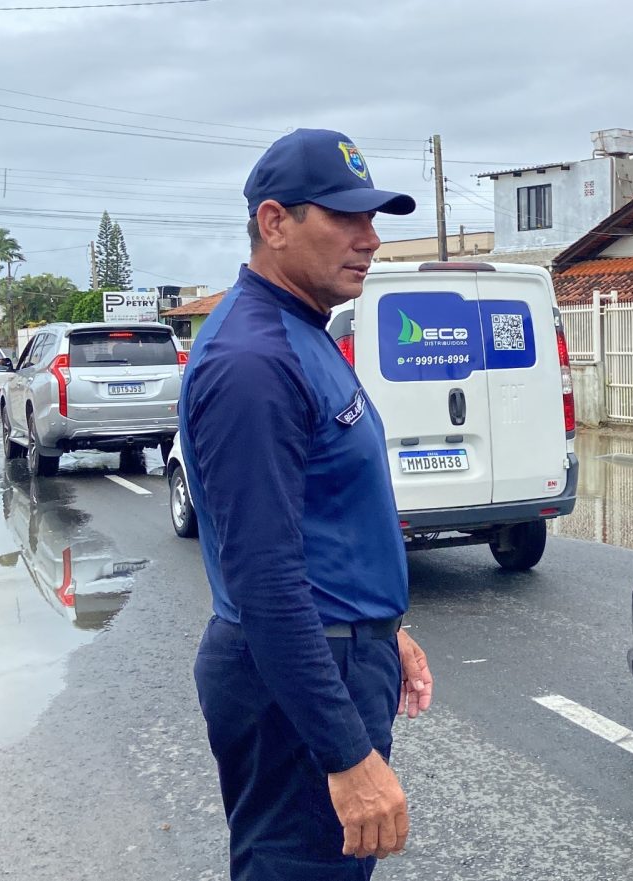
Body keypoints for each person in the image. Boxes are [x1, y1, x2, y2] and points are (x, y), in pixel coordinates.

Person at [181, 128, 434, 881]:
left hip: (335, 650)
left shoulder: (302, 331)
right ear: (274, 222)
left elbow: (327, 517)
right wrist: (345, 753)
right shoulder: (255, 362)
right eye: (344, 217)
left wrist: (385, 629)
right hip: (293, 678)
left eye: (373, 219)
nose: (371, 239)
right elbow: (263, 577)